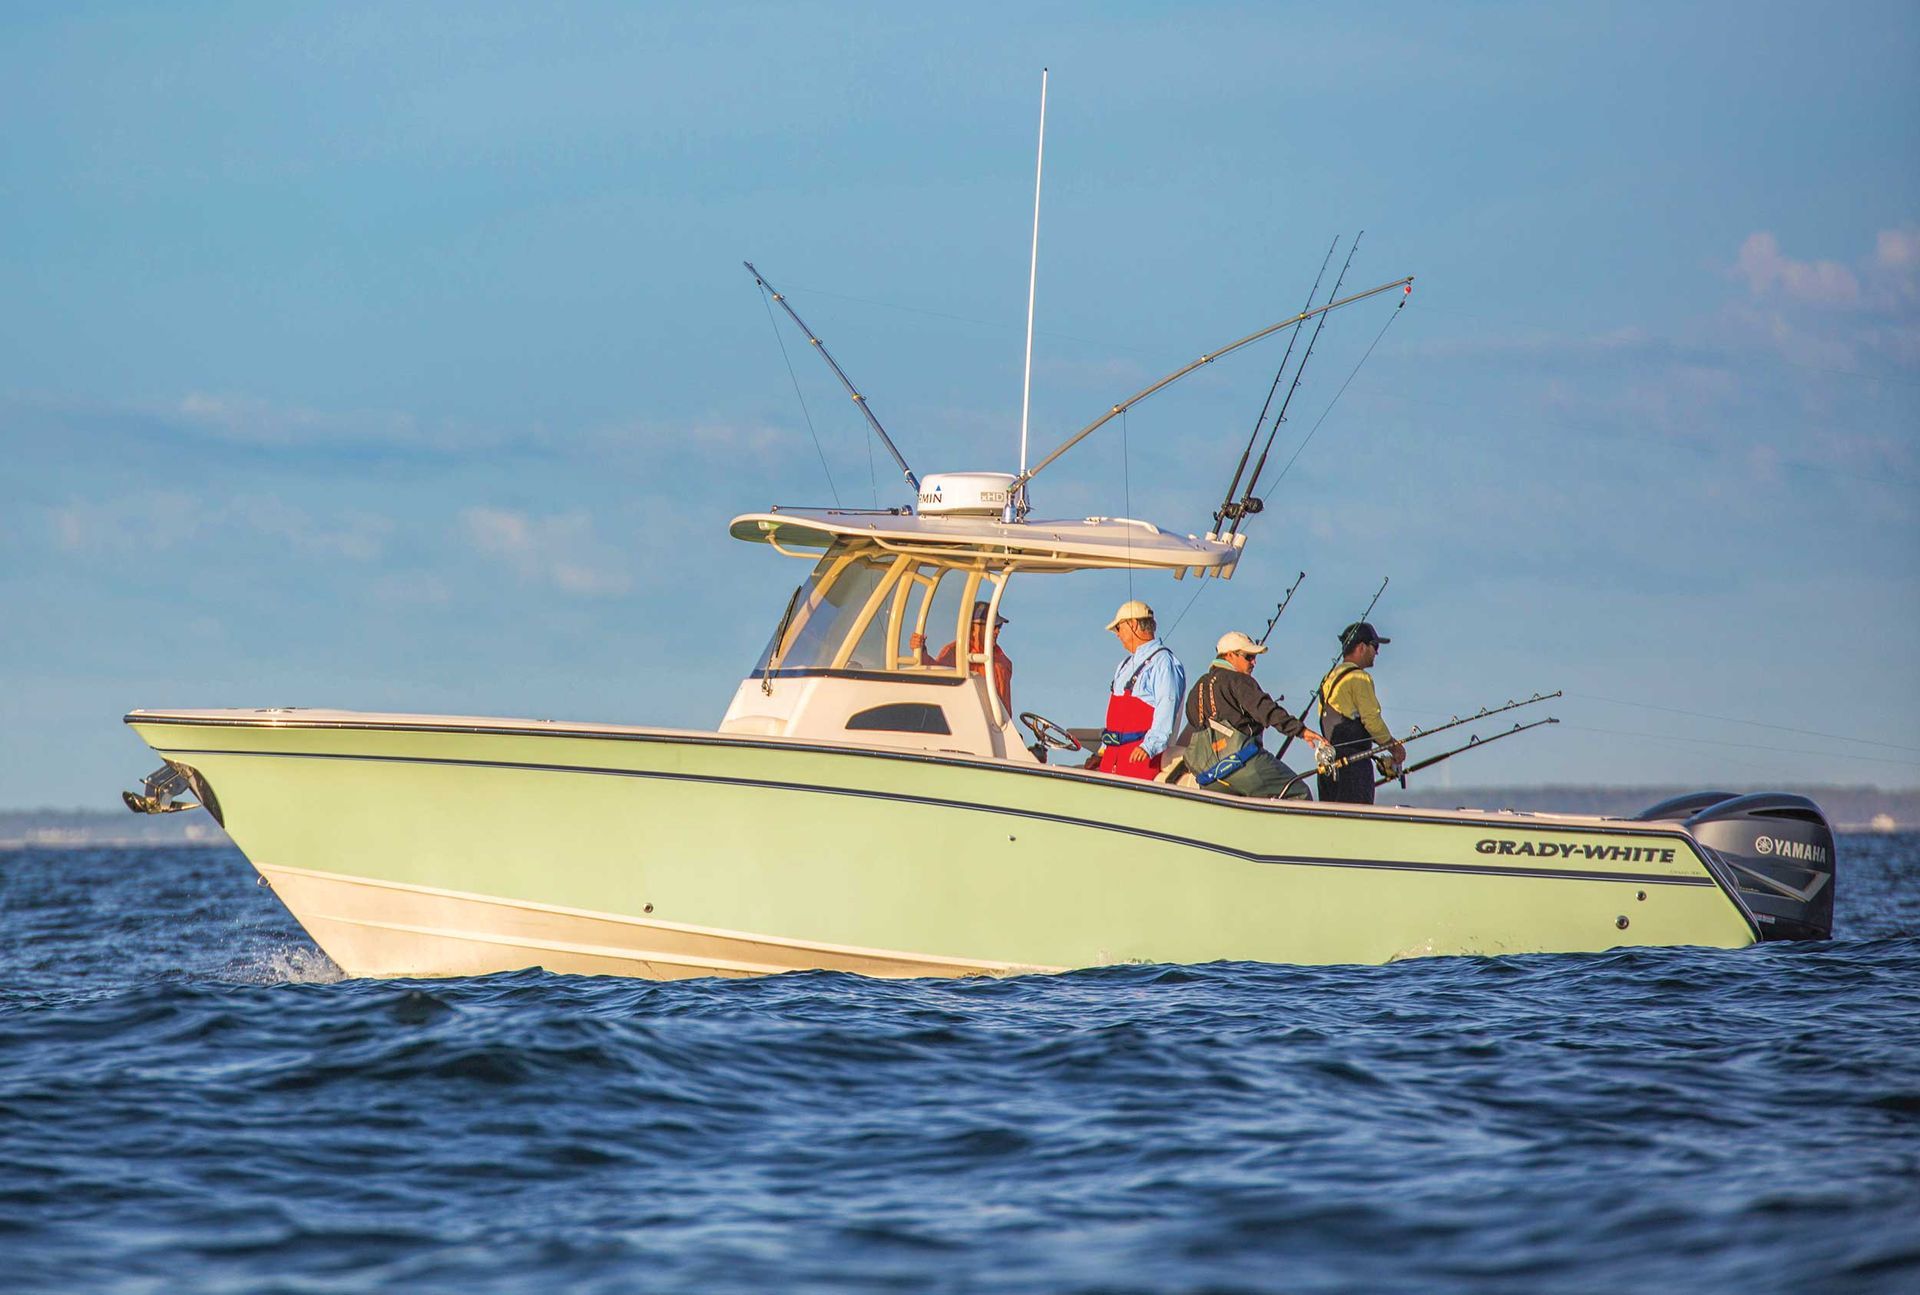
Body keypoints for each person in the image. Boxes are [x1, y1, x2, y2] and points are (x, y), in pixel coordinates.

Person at [1182, 631, 1330, 799]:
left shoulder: (1196, 689)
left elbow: (1193, 720)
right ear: (1230, 655)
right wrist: (1300, 731)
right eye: (1248, 657)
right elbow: (1265, 710)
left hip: (1209, 777)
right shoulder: (1238, 680)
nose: (1254, 662)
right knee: (1298, 793)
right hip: (1242, 763)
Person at [1091, 600, 1185, 780]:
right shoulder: (1124, 664)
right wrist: (1101, 752)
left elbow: (1167, 706)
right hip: (1111, 759)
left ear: (1133, 624)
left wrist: (1149, 747)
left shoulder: (1164, 662)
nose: (1117, 635)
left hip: (1139, 759)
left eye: (1118, 628)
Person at [1316, 621, 1405, 805]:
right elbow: (1372, 721)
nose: (1377, 652)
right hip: (1353, 768)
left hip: (1327, 767)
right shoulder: (1359, 678)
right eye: (1375, 646)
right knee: (1356, 823)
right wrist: (1395, 748)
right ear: (1362, 647)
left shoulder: (1328, 679)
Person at [910, 600, 1013, 713]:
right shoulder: (956, 652)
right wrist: (921, 651)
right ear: (974, 628)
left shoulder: (1004, 661)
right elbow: (936, 673)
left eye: (999, 626)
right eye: (993, 626)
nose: (997, 631)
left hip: (997, 728)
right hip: (969, 721)